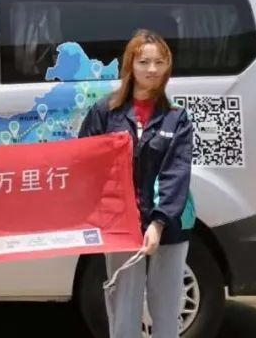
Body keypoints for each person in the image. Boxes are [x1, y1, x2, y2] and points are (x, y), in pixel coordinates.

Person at [78, 29, 195, 338]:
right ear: (130, 64)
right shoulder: (106, 111)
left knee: (166, 310)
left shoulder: (177, 118)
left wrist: (158, 223)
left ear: (168, 66)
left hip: (170, 227)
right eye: (144, 62)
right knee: (123, 309)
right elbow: (85, 161)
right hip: (122, 226)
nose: (152, 69)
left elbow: (176, 172)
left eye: (159, 62)